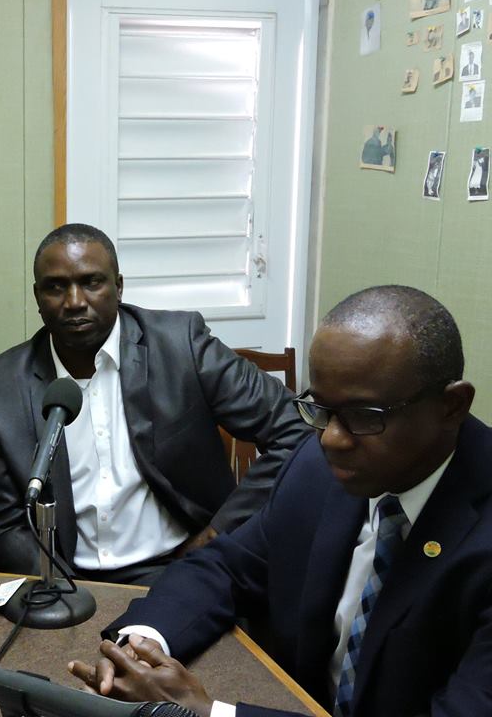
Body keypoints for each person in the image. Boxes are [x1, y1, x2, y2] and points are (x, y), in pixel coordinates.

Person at [68, 285, 492, 717]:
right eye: (320, 410)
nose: (331, 439)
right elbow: (227, 566)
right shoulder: (317, 468)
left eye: (365, 417)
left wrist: (207, 712)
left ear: (452, 406)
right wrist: (141, 644)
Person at [0, 224, 309, 584]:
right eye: (56, 287)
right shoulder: (0, 385)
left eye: (91, 282)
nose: (74, 301)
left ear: (118, 287)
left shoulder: (182, 346)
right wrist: (59, 588)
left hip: (175, 568)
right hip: (64, 576)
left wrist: (216, 534)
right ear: (38, 297)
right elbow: (4, 521)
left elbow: (294, 428)